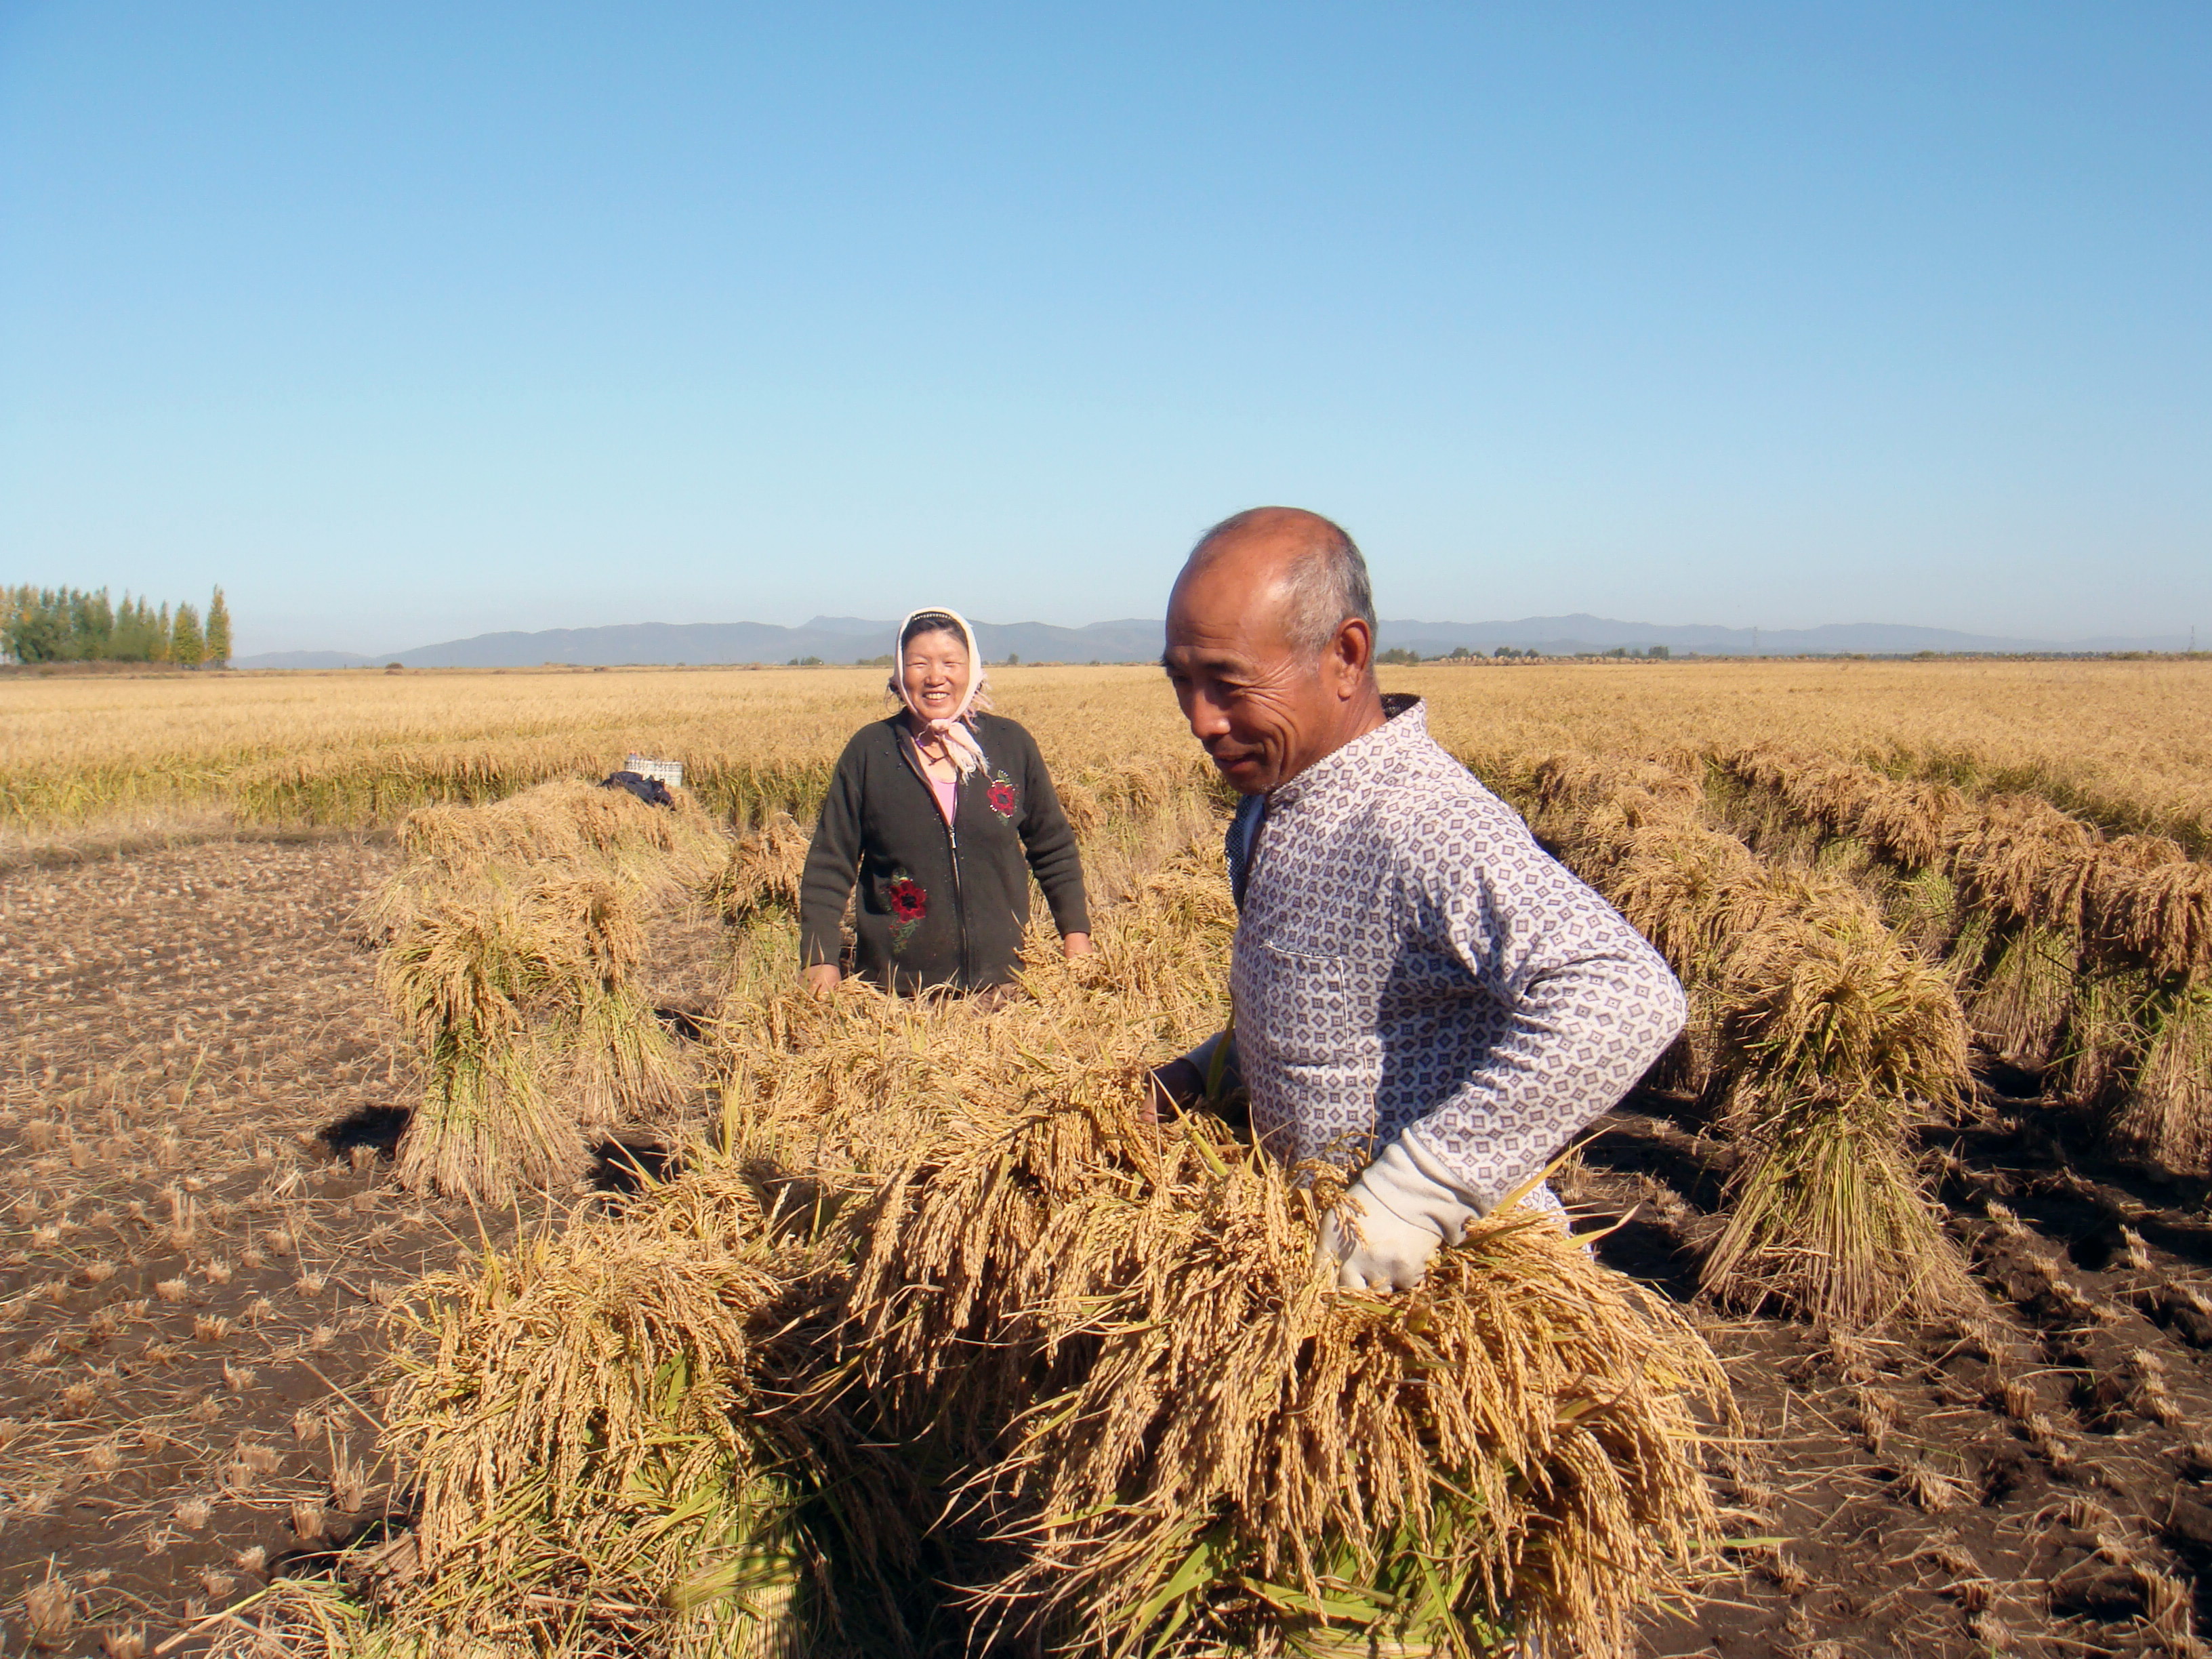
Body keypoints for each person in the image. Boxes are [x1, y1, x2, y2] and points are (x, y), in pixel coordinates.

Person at [1151, 508, 1685, 1292]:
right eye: (1181, 682)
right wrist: (1201, 1075)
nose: (1201, 720)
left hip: (1451, 1281)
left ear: (1346, 655)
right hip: (1321, 1260)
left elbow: (1627, 993)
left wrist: (1418, 1196)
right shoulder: (1272, 804)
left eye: (1228, 683)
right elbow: (1330, 1014)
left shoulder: (1420, 820)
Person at [800, 607, 1092, 996]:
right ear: (900, 673)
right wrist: (820, 958)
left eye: (950, 662)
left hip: (1008, 984)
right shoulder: (870, 752)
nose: (936, 677)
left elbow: (1053, 849)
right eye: (919, 663)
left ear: (972, 669)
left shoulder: (1010, 745)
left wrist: (1076, 936)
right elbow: (829, 864)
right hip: (896, 995)